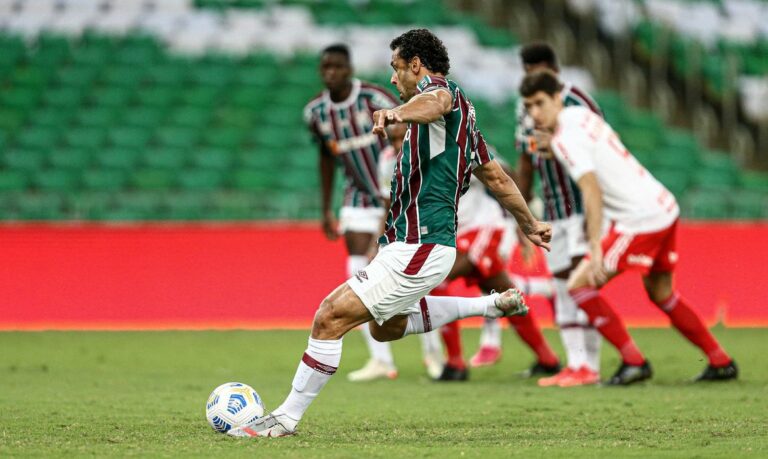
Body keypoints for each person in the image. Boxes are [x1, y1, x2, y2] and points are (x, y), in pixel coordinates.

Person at [229, 28, 552, 438]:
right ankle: (487, 307)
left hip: (423, 243)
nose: (394, 80)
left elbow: (435, 100)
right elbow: (496, 177)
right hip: (410, 244)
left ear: (416, 65)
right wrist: (529, 223)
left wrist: (397, 113)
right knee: (385, 327)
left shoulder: (441, 94)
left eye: (396, 70)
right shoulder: (465, 120)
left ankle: (284, 419)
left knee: (329, 316)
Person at [519, 69, 738, 385]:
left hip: (641, 219)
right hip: (663, 205)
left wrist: (595, 248)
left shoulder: (566, 137)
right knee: (661, 293)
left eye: (540, 103)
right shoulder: (580, 116)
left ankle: (633, 361)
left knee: (580, 284)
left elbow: (591, 189)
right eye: (529, 107)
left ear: (557, 98)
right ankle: (720, 361)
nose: (535, 113)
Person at [303, 44, 443, 382]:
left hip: (396, 194)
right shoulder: (316, 113)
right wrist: (325, 208)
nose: (330, 73)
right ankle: (381, 360)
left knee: (408, 277)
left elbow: (411, 125)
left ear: (350, 69)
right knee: (356, 269)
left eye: (337, 66)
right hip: (357, 196)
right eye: (325, 67)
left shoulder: (375, 98)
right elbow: (325, 157)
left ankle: (433, 353)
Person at [471, 43, 603, 387]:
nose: (531, 80)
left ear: (554, 71)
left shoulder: (579, 102)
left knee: (580, 285)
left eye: (537, 72)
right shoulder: (526, 108)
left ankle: (593, 363)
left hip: (582, 206)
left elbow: (603, 150)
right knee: (562, 288)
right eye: (527, 72)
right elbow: (526, 160)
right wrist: (523, 215)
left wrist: (598, 211)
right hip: (555, 210)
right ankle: (576, 364)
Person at [431, 166, 561, 381]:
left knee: (437, 280)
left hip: (483, 227)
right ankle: (548, 360)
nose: (398, 141)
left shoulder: (459, 142)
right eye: (395, 137)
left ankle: (455, 363)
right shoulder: (396, 161)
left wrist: (522, 222)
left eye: (401, 134)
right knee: (505, 294)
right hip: (450, 235)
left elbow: (503, 176)